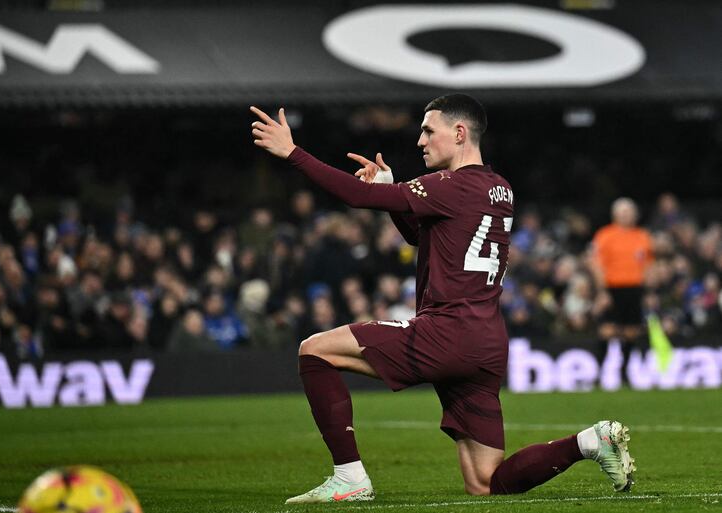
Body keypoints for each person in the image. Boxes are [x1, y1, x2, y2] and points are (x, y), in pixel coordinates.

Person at [250, 94, 635, 504]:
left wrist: (293, 153)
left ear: (459, 132)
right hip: (485, 342)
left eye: (428, 130)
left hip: (447, 331)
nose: (420, 141)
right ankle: (588, 442)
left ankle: (349, 478)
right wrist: (394, 195)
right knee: (486, 483)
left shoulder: (451, 186)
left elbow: (357, 198)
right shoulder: (499, 188)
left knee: (315, 352)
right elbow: (426, 237)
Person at [591, 197, 653, 379]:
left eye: (630, 212)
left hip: (634, 289)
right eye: (623, 212)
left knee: (631, 331)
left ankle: (624, 371)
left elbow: (649, 266)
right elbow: (597, 265)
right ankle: (600, 371)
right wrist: (602, 291)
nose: (627, 216)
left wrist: (648, 291)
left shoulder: (642, 236)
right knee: (607, 330)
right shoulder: (605, 235)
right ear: (615, 215)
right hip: (612, 288)